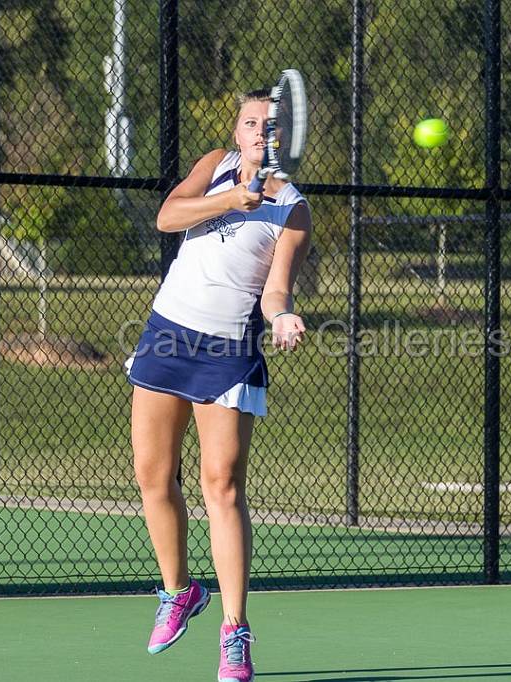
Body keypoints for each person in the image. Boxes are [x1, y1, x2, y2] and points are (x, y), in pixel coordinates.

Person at [125, 88, 311, 682]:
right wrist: (232, 197)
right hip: (166, 335)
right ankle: (179, 592)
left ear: (285, 137)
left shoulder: (293, 209)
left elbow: (274, 287)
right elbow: (166, 216)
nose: (260, 131)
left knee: (222, 486)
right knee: (153, 478)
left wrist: (281, 314)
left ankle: (236, 632)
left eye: (270, 125)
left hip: (227, 349)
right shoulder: (213, 166)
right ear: (237, 131)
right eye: (251, 122)